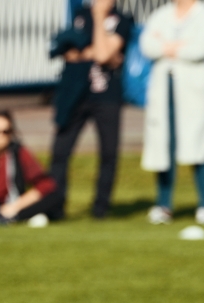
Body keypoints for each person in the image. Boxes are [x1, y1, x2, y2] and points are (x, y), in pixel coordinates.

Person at [49, 0, 133, 219]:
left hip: (107, 97)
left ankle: (101, 208)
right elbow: (66, 50)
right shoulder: (80, 15)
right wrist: (100, 53)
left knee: (108, 153)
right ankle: (55, 206)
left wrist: (99, 19)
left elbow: (102, 55)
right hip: (75, 96)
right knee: (60, 151)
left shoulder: (123, 21)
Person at [139, 0, 204, 225]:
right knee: (163, 148)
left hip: (194, 92)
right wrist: (179, 45)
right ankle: (164, 205)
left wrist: (167, 46)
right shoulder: (162, 14)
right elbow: (147, 45)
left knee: (200, 146)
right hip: (164, 90)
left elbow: (201, 47)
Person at [0, 111, 62, 227]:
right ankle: (1, 218)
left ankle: (5, 218)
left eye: (4, 132)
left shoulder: (18, 152)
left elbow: (46, 184)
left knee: (55, 196)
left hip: (12, 204)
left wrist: (15, 206)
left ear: (11, 134)